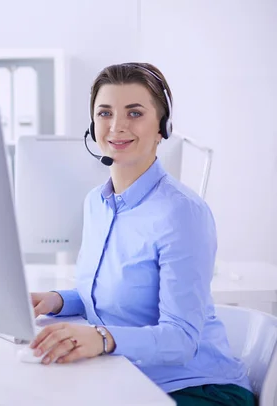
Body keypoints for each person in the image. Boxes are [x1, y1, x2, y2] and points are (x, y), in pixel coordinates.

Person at [29, 62, 255, 406]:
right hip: (127, 381)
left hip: (197, 389)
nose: (117, 126)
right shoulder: (96, 203)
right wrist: (59, 301)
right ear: (93, 125)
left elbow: (181, 339)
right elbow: (115, 296)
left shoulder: (182, 213)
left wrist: (101, 338)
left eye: (134, 113)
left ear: (162, 127)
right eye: (105, 113)